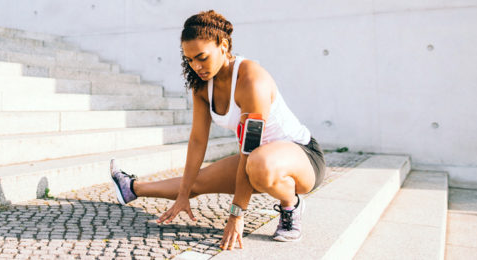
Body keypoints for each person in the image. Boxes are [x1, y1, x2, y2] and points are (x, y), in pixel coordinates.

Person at [110, 10, 326, 250]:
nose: (196, 66)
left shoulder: (251, 80)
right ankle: (131, 188)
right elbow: (197, 140)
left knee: (259, 163)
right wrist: (183, 194)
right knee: (195, 183)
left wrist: (236, 215)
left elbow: (249, 148)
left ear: (223, 45)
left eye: (202, 57)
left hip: (302, 159)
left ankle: (291, 205)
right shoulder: (202, 85)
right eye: (189, 59)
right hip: (257, 158)